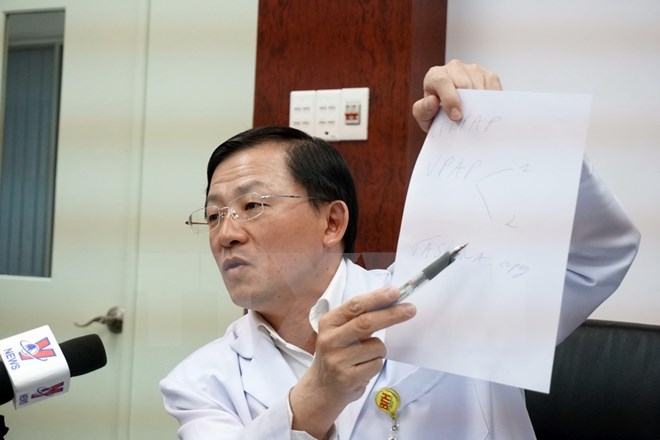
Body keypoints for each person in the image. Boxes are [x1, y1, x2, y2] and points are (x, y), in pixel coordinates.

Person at [160, 60, 640, 439]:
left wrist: (511, 134)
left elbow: (597, 256)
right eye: (214, 215)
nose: (226, 233)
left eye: (252, 205)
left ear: (332, 222)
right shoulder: (200, 382)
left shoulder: (452, 299)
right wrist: (316, 398)